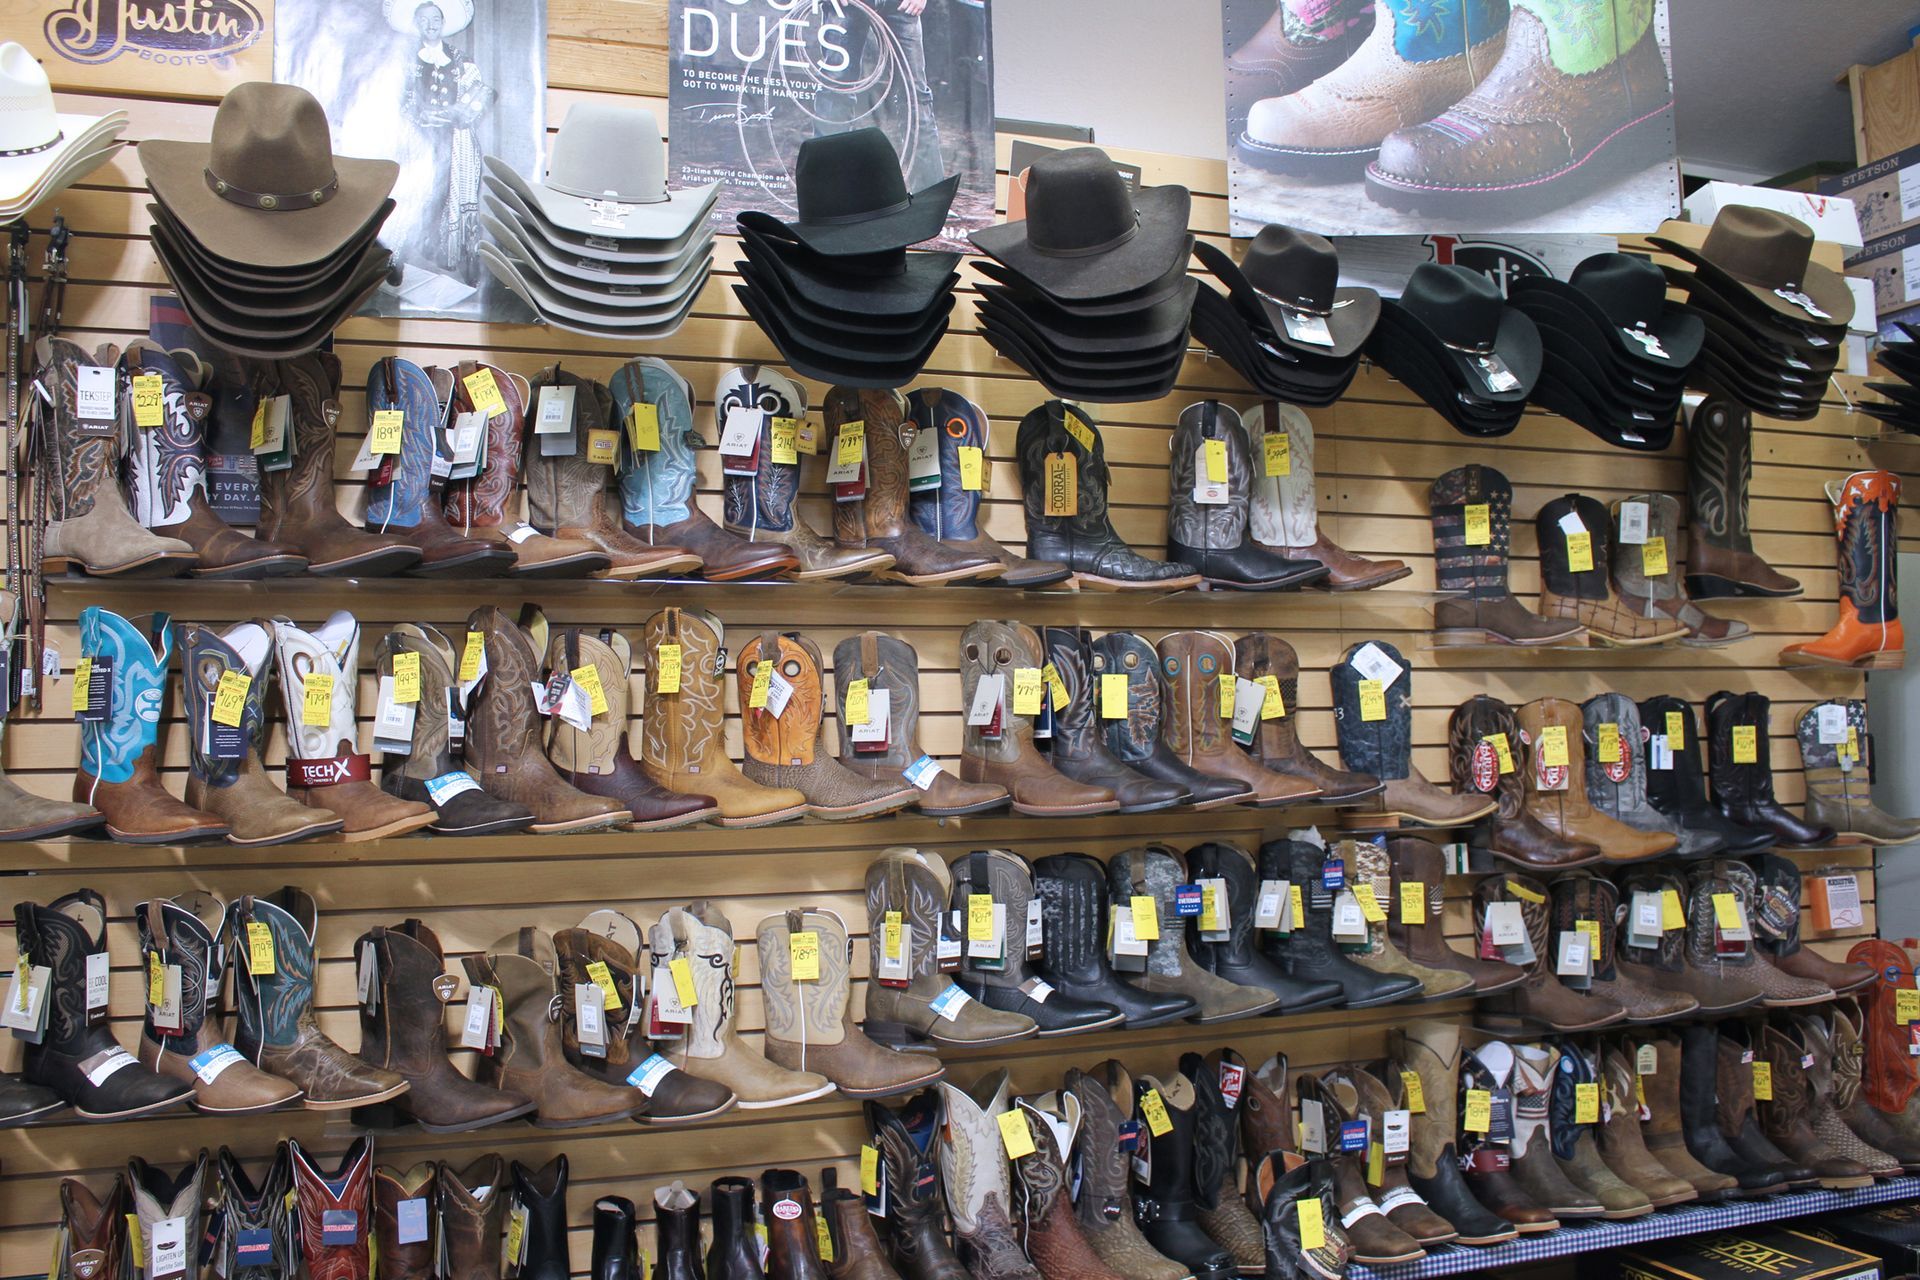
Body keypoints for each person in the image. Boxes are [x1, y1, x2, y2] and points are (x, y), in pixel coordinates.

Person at [391, 0, 494, 285]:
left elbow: (477, 96)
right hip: (419, 138)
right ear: (416, 24)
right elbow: (395, 98)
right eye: (423, 19)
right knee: (416, 193)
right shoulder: (406, 58)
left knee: (455, 192)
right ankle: (397, 256)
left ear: (443, 22)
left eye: (435, 18)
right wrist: (418, 115)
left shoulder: (461, 59)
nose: (431, 24)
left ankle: (458, 256)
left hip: (456, 138)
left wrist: (458, 114)